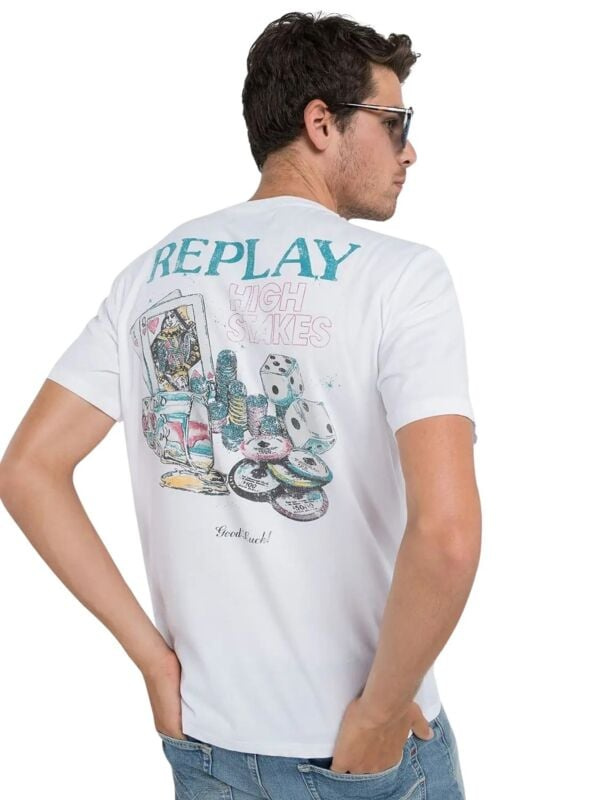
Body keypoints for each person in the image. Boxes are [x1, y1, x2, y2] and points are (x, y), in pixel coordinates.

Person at [0, 10, 481, 800]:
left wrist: (152, 660)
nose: (410, 149)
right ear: (321, 123)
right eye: (394, 122)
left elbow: (28, 469)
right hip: (362, 751)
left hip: (208, 742)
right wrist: (379, 712)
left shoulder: (151, 273)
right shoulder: (402, 278)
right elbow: (449, 537)